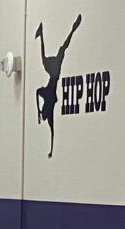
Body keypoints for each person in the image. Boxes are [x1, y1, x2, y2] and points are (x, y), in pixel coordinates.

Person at [34, 14, 82, 158]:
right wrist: (51, 151)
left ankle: (43, 34)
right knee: (61, 50)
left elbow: (37, 92)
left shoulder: (47, 98)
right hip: (54, 73)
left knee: (57, 52)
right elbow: (53, 132)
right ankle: (72, 29)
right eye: (43, 111)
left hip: (53, 73)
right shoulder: (48, 102)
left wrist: (38, 111)